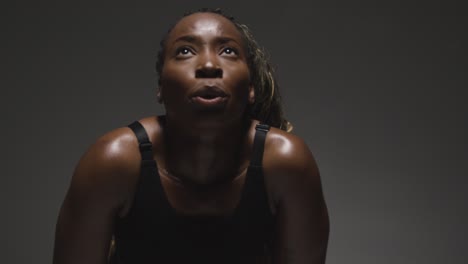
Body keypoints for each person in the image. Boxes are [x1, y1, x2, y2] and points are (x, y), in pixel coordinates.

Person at [53, 8, 329, 264]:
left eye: (229, 51)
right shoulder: (113, 162)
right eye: (185, 51)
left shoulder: (286, 165)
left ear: (251, 88)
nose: (208, 64)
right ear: (160, 86)